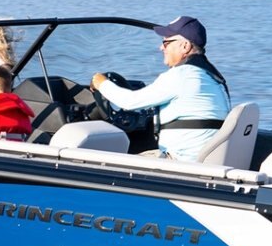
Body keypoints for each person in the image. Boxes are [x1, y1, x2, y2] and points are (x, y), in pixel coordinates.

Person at [91, 16, 229, 161]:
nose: (161, 47)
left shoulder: (181, 75)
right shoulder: (214, 78)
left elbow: (129, 102)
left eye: (166, 42)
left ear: (185, 46)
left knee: (108, 162)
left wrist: (101, 83)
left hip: (181, 161)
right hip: (205, 159)